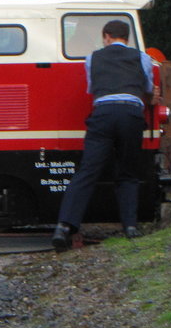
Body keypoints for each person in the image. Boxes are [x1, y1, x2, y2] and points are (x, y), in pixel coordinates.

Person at [51, 20, 155, 251]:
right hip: (131, 113)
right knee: (128, 172)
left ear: (106, 36)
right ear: (127, 37)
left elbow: (92, 88)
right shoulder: (142, 58)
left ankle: (63, 226)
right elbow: (148, 88)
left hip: (104, 113)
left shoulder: (93, 58)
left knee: (87, 172)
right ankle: (130, 227)